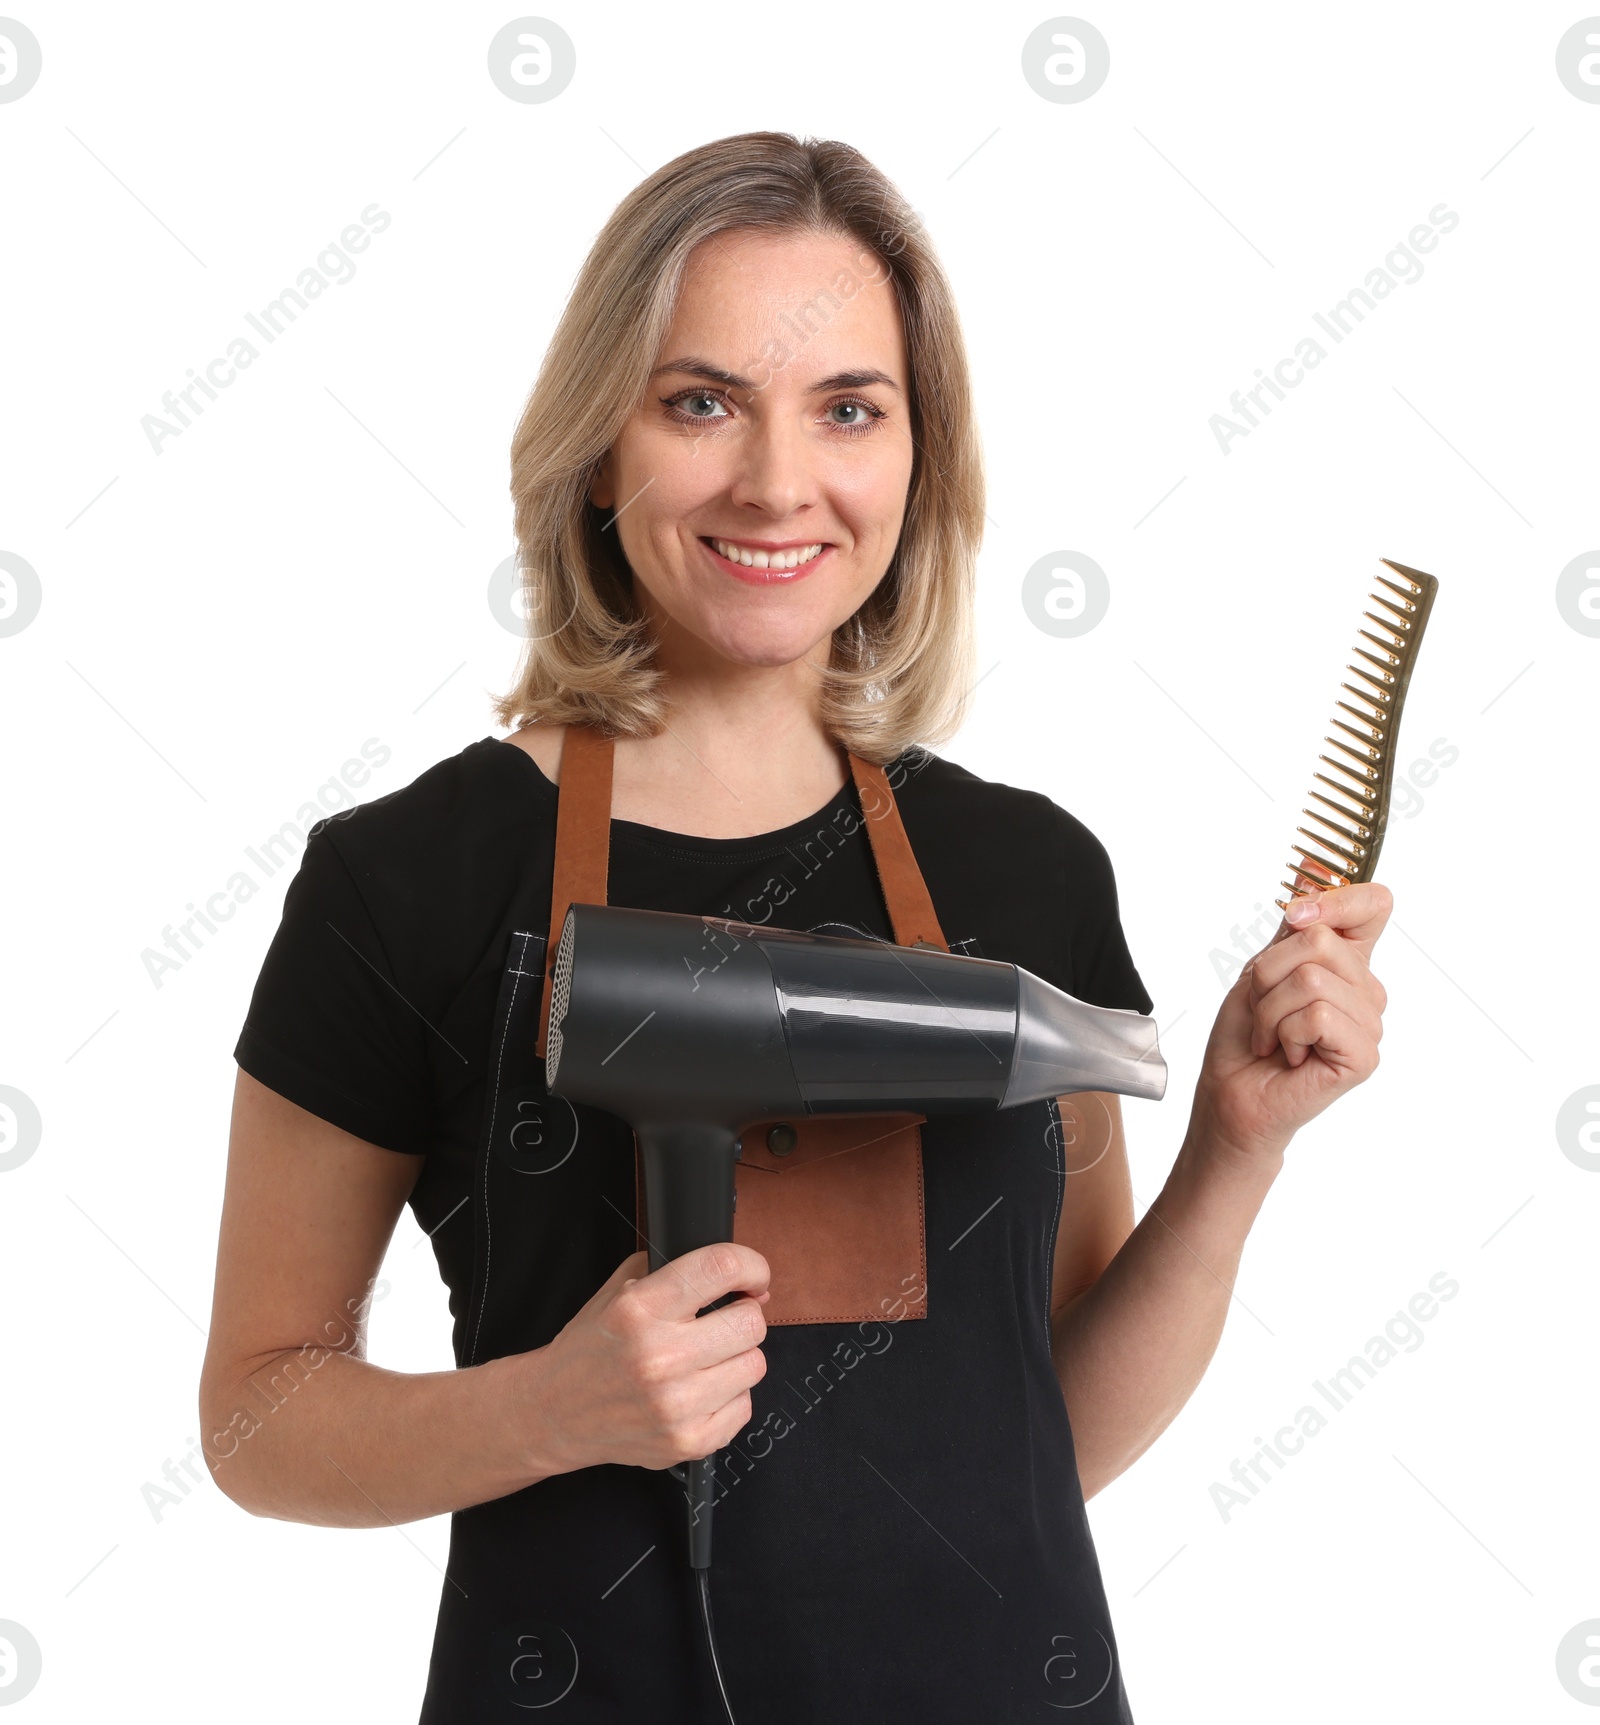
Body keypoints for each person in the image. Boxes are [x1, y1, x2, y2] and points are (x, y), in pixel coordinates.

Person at [199, 132, 1391, 1723]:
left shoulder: (1027, 877)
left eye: (849, 407)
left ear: (917, 458)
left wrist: (1240, 1144)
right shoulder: (404, 880)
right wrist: (559, 1407)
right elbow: (259, 1415)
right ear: (598, 446)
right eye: (701, 401)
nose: (779, 481)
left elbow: (1060, 1426)